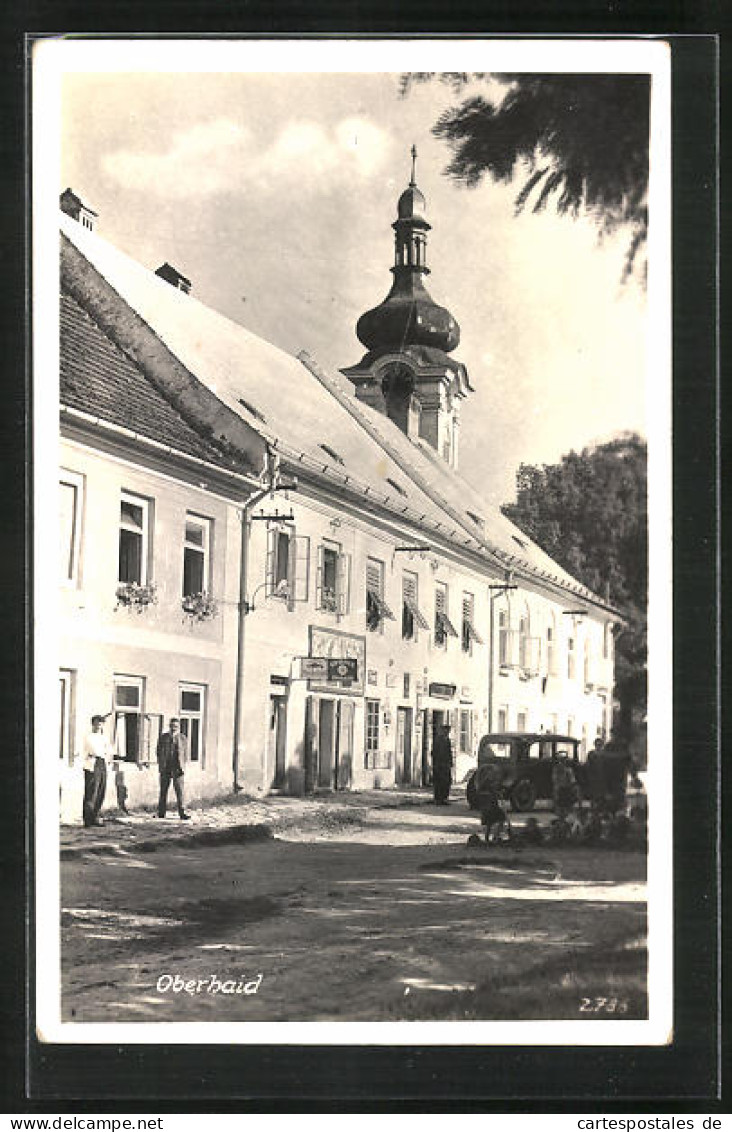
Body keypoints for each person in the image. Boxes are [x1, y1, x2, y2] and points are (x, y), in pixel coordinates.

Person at [157, 718, 190, 820]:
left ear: (178, 727)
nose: (173, 728)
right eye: (172, 726)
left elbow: (186, 754)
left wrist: (183, 766)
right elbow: (158, 751)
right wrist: (161, 763)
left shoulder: (183, 738)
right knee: (163, 791)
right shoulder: (163, 738)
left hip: (177, 768)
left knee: (180, 791)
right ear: (169, 726)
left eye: (175, 726)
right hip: (166, 767)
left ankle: (182, 812)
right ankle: (161, 812)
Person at [82, 714, 110, 828]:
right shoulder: (88, 737)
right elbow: (94, 750)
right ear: (93, 724)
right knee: (92, 792)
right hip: (92, 763)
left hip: (102, 763)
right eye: (97, 724)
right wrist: (102, 752)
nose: (99, 726)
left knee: (101, 792)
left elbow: (109, 750)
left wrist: (106, 756)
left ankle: (95, 817)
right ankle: (88, 819)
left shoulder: (104, 737)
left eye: (101, 724)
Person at [431, 722, 453, 805]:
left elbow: (449, 753)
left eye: (448, 731)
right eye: (446, 730)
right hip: (439, 765)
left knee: (447, 782)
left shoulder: (447, 740)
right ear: (443, 731)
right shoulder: (438, 740)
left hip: (446, 765)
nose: (447, 732)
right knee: (438, 782)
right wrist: (436, 763)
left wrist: (450, 763)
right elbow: (434, 752)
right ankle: (438, 799)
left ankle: (444, 798)